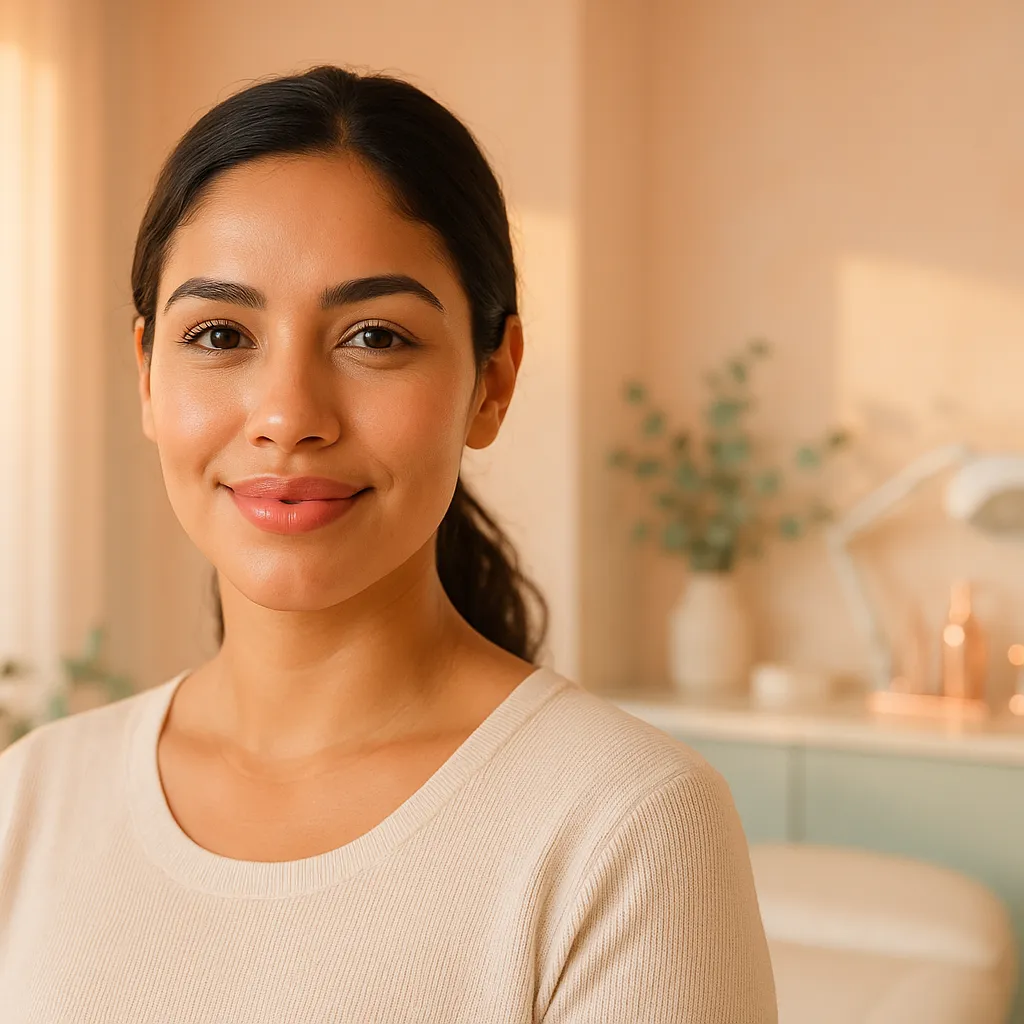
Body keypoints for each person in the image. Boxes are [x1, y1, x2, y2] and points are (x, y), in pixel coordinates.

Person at [0, 65, 776, 1021]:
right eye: (217, 335)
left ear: (492, 382)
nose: (288, 416)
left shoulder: (627, 828)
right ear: (147, 376)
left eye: (373, 336)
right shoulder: (30, 799)